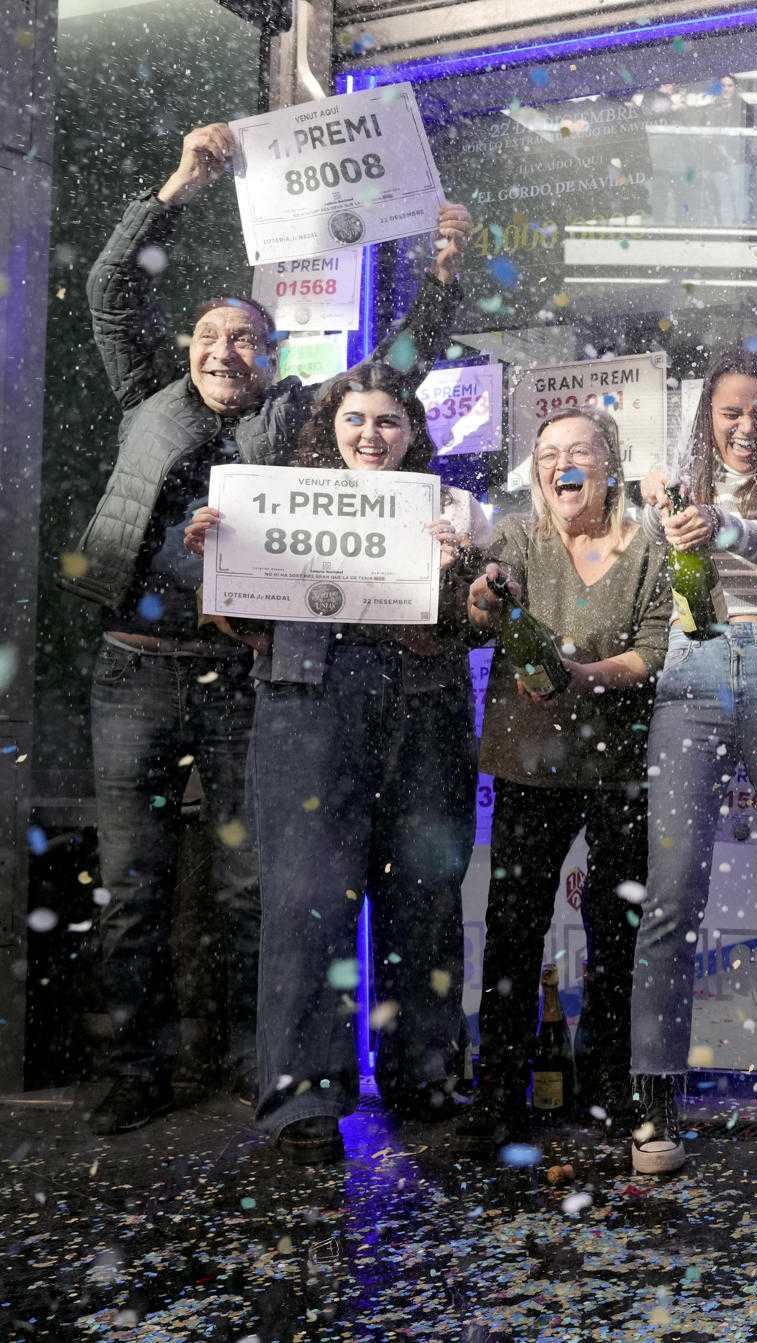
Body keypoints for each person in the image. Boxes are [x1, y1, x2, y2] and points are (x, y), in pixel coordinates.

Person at [70, 120, 470, 1135]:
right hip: (135, 666)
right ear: (186, 352)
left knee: (267, 887)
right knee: (130, 883)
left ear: (272, 353)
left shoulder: (296, 420)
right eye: (208, 338)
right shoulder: (146, 394)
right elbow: (111, 286)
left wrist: (445, 276)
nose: (223, 352)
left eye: (244, 338)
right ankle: (130, 1070)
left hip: (248, 674)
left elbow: (398, 373)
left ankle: (267, 1074)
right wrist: (176, 186)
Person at [183, 366, 487, 1163]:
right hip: (308, 705)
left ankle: (425, 1073)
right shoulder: (277, 506)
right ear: (332, 427)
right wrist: (216, 555)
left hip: (424, 707)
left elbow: (477, 625)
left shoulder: (452, 508)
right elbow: (238, 623)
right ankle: (302, 1098)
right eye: (357, 419)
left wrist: (459, 575)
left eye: (390, 421)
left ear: (414, 431)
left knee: (424, 894)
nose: (372, 435)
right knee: (306, 897)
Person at [630, 347, 757, 1173]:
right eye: (731, 412)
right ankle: (654, 1101)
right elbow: (647, 554)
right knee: (670, 895)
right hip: (694, 673)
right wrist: (654, 505)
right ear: (706, 418)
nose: (747, 426)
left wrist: (721, 526)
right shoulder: (676, 486)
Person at [458, 407, 673, 1149]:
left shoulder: (646, 542)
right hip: (528, 768)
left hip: (621, 768)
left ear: (608, 465)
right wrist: (485, 594)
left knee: (617, 933)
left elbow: (655, 647)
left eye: (579, 449)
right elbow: (484, 596)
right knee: (514, 933)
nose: (563, 462)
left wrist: (581, 676)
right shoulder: (516, 536)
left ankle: (609, 1087)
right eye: (549, 452)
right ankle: (497, 1097)